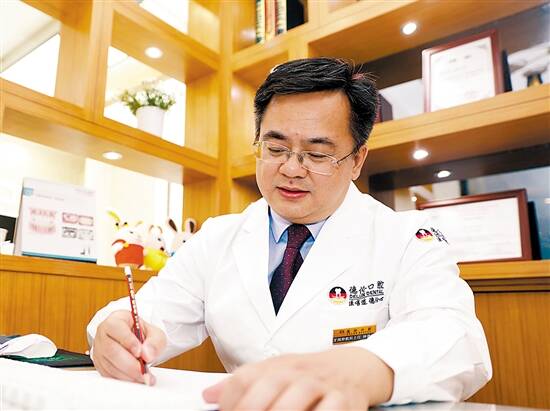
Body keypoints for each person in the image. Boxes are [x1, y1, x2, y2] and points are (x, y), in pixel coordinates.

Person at [87, 57, 492, 410]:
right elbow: (148, 314)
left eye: (317, 154)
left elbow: (457, 339)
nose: (292, 169)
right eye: (276, 149)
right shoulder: (219, 237)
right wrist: (116, 333)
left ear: (356, 160)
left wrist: (361, 370)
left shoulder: (406, 237)